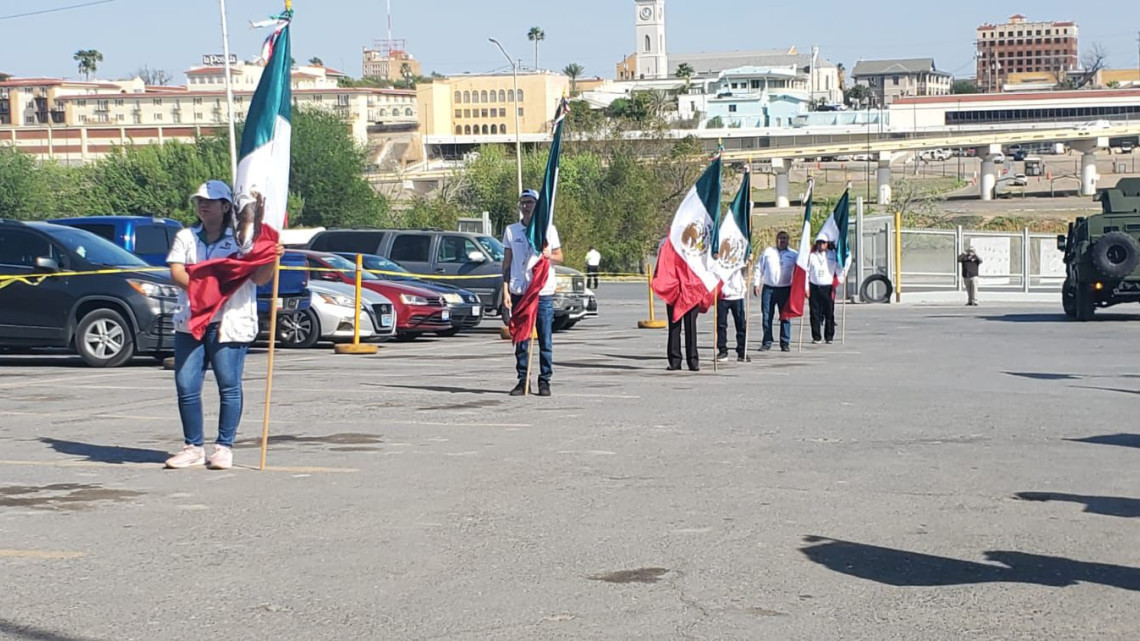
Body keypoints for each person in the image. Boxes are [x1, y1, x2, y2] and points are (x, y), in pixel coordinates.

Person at [164, 181, 281, 470]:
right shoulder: (186, 236)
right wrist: (208, 291)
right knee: (186, 384)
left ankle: (224, 446)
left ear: (226, 206)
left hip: (229, 322)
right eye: (200, 201)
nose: (203, 205)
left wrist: (272, 258)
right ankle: (192, 446)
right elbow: (176, 271)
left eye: (211, 201)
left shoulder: (242, 240)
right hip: (192, 321)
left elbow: (260, 279)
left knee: (228, 385)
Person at [502, 189, 563, 397]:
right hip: (520, 291)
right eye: (523, 202)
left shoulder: (548, 229)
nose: (526, 206)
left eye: (530, 202)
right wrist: (505, 291)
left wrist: (549, 255)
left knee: (545, 338)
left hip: (542, 291)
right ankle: (522, 379)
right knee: (522, 338)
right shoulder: (512, 231)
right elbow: (507, 263)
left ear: (538, 205)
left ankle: (545, 379)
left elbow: (560, 256)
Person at [752, 231, 797, 352]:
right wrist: (756, 284)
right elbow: (758, 268)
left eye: (785, 238)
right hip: (769, 289)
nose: (782, 241)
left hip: (785, 289)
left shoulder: (794, 254)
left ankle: (785, 343)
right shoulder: (768, 252)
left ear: (788, 240)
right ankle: (767, 342)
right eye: (780, 238)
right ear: (776, 240)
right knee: (767, 316)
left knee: (785, 317)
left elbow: (801, 272)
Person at [807, 238, 840, 345]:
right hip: (814, 286)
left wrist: (841, 278)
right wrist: (806, 287)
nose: (821, 245)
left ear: (827, 244)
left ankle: (829, 336)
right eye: (819, 242)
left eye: (824, 243)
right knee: (814, 313)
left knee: (829, 313)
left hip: (828, 287)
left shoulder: (833, 255)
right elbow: (806, 272)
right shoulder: (811, 256)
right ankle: (816, 336)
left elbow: (840, 266)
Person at [716, 264, 749, 362]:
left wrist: (748, 263)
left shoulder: (739, 255)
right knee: (721, 325)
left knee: (741, 325)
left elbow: (745, 271)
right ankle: (722, 351)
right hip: (723, 295)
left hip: (737, 295)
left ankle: (742, 350)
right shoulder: (722, 258)